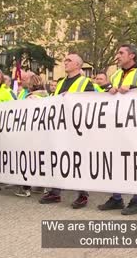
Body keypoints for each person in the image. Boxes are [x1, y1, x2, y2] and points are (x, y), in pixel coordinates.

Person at [97, 44, 137, 215]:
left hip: (136, 125)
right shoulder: (115, 75)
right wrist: (109, 89)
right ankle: (116, 198)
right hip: (116, 125)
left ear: (132, 56)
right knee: (116, 162)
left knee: (135, 164)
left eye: (121, 53)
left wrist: (132, 90)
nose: (118, 55)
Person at [39, 53, 95, 209]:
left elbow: (91, 102)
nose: (65, 62)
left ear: (78, 65)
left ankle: (83, 194)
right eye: (65, 60)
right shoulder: (62, 82)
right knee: (58, 158)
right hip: (61, 126)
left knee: (78, 160)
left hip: (76, 128)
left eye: (69, 60)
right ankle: (55, 192)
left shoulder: (85, 82)